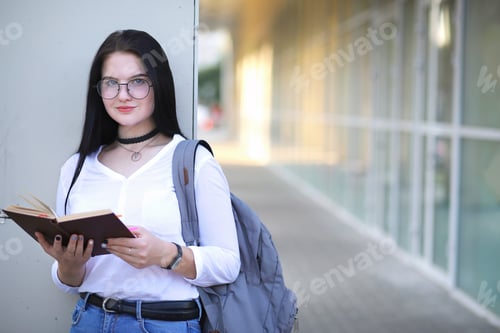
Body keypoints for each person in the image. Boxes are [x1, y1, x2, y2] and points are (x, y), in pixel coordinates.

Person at [34, 29, 240, 333]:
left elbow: (228, 264)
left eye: (138, 82)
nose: (123, 95)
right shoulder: (77, 167)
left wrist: (167, 255)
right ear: (99, 90)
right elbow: (67, 281)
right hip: (90, 320)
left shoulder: (192, 162)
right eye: (111, 84)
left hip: (167, 323)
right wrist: (69, 266)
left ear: (159, 85)